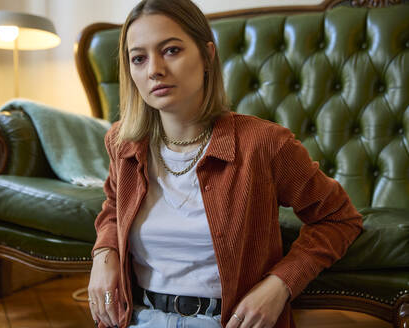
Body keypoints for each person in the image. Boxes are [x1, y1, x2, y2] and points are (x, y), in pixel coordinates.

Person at [87, 0, 363, 327]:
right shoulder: (123, 143)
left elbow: (338, 219)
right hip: (137, 317)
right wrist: (104, 254)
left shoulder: (265, 144)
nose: (154, 70)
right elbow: (115, 206)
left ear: (207, 56)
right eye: (139, 58)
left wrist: (281, 284)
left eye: (171, 50)